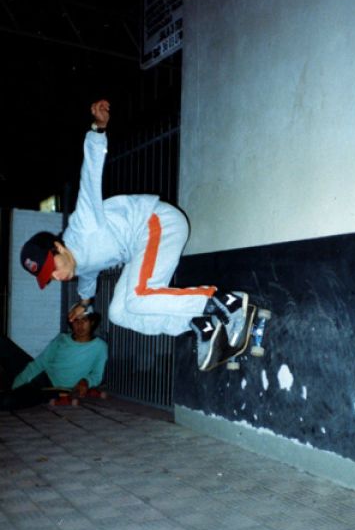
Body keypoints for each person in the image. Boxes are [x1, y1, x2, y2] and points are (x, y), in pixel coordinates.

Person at [20, 99, 248, 370]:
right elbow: (88, 278)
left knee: (139, 295)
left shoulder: (82, 225)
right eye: (50, 277)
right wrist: (85, 304)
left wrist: (97, 129)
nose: (57, 277)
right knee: (119, 313)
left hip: (156, 222)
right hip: (142, 244)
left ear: (58, 247)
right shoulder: (77, 263)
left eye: (53, 268)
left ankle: (226, 302)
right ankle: (199, 324)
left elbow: (90, 175)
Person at [0, 306, 108, 411]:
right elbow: (41, 362)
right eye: (75, 320)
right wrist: (19, 382)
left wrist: (86, 381)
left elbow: (97, 375)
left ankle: (12, 389)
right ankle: (12, 385)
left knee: (6, 401)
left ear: (92, 322)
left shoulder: (100, 347)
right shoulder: (62, 338)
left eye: (84, 320)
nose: (79, 325)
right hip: (40, 373)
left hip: (51, 388)